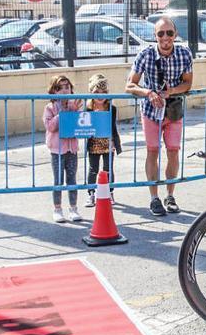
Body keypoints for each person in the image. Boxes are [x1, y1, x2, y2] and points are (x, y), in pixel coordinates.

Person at [126, 16, 193, 216]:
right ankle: (154, 198)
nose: (165, 37)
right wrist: (149, 93)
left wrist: (171, 91)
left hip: (173, 110)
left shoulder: (184, 54)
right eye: (161, 33)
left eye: (169, 33)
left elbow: (188, 83)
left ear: (175, 34)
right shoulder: (145, 55)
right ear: (155, 36)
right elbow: (129, 85)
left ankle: (170, 195)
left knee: (173, 151)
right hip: (150, 111)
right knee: (152, 151)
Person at [43, 75, 83, 223]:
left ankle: (73, 208)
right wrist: (62, 115)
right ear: (53, 91)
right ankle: (57, 209)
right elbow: (50, 127)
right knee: (58, 180)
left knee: (72, 179)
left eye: (67, 87)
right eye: (60, 88)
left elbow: (79, 123)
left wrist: (73, 111)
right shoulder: (50, 108)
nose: (64, 90)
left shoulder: (74, 105)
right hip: (56, 150)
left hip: (71, 149)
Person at [84, 74, 122, 208]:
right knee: (93, 169)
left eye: (103, 92)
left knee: (108, 169)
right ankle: (91, 194)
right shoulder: (88, 109)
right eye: (96, 92)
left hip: (108, 143)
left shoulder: (112, 108)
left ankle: (109, 193)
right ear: (91, 92)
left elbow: (113, 127)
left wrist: (114, 143)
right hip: (93, 143)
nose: (100, 95)